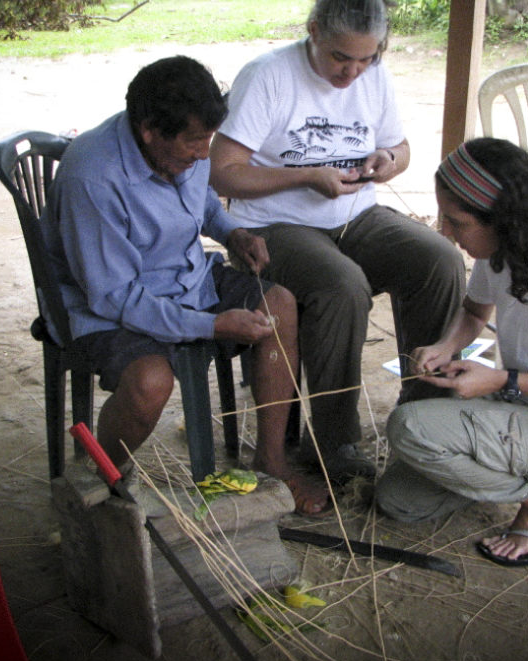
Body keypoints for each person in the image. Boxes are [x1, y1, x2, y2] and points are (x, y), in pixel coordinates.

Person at [209, 0, 465, 482]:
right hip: (276, 226)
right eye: (340, 58)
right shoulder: (269, 76)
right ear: (314, 32)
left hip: (357, 216)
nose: (353, 73)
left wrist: (389, 160)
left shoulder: (375, 78)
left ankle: (424, 419)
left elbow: (402, 146)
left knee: (438, 259)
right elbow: (222, 173)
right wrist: (305, 176)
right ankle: (336, 443)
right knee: (341, 284)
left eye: (367, 60)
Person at [41, 56, 329, 516]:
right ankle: (101, 484)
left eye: (208, 142)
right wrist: (210, 326)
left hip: (185, 278)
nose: (203, 156)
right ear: (150, 129)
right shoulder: (92, 176)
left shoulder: (184, 149)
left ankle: (272, 461)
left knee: (279, 303)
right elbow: (112, 295)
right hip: (108, 304)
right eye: (194, 144)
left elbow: (203, 205)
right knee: (150, 383)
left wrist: (233, 232)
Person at [375, 138, 528, 566]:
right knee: (399, 501)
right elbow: (474, 312)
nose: (446, 234)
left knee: (409, 427)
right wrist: (445, 345)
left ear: (503, 220)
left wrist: (500, 380)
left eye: (457, 223)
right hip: (520, 405)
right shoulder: (500, 252)